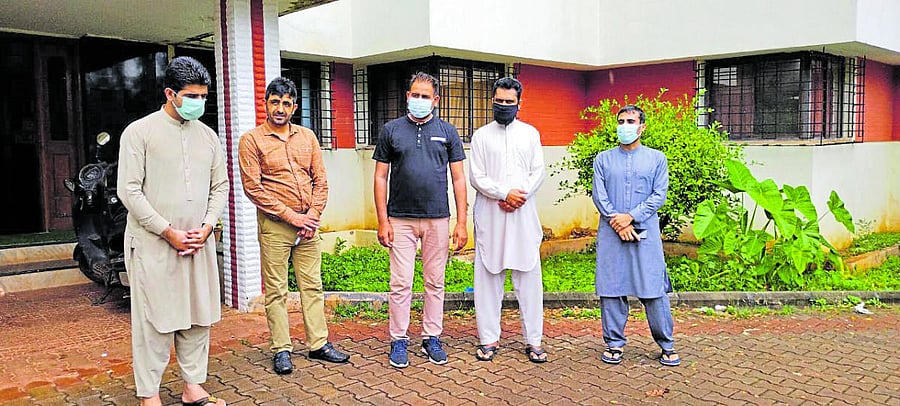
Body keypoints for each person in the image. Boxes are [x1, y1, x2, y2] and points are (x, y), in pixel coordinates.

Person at [117, 56, 229, 406]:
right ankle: (149, 394)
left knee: (198, 315)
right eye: (192, 96)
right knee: (155, 320)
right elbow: (129, 191)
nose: (199, 103)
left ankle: (193, 386)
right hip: (153, 244)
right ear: (170, 94)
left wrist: (208, 226)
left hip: (197, 242)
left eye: (204, 97)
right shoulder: (139, 133)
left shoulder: (208, 137)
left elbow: (220, 186)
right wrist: (167, 231)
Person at [238, 77, 350, 375]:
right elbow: (253, 188)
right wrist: (293, 217)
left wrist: (312, 215)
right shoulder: (251, 140)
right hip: (276, 226)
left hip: (308, 226)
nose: (280, 108)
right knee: (276, 290)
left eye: (286, 103)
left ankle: (318, 344)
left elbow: (320, 180)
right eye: (275, 102)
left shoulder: (307, 137)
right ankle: (281, 349)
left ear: (294, 107)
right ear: (265, 104)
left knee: (312, 286)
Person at [373, 72, 468, 368]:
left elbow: (459, 179)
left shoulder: (447, 132)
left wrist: (461, 222)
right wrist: (383, 220)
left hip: (437, 218)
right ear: (407, 96)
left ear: (435, 100)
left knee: (435, 282)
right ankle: (398, 340)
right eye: (415, 95)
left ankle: (431, 337)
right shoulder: (391, 131)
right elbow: (380, 177)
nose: (419, 100)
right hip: (399, 219)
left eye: (425, 96)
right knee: (400, 283)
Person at [591, 105, 681, 367]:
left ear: (642, 127)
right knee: (611, 287)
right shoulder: (603, 160)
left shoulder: (657, 159)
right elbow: (599, 195)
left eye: (630, 121)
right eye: (621, 121)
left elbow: (659, 195)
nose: (625, 126)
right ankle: (614, 343)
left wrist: (630, 216)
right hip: (611, 231)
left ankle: (666, 344)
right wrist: (618, 222)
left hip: (645, 232)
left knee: (652, 287)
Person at [469, 77, 548, 363]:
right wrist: (503, 193)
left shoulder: (530, 134)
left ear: (519, 104)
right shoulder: (481, 136)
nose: (503, 105)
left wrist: (518, 196)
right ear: (492, 101)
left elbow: (538, 171)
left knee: (529, 278)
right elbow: (476, 176)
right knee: (488, 277)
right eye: (499, 101)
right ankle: (488, 339)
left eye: (509, 102)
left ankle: (534, 340)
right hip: (491, 214)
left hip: (522, 214)